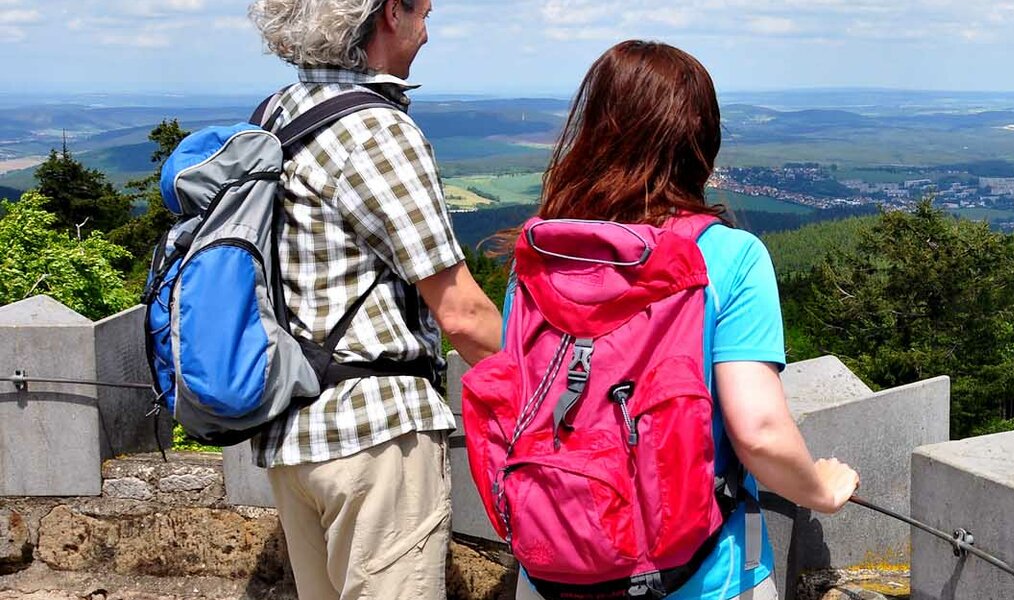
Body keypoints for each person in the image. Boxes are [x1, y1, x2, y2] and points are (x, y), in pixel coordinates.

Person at [505, 40, 860, 600]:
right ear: (702, 143)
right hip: (702, 575)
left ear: (592, 132)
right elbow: (760, 433)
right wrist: (822, 489)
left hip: (553, 567)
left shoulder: (544, 257)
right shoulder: (731, 257)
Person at [247, 0, 503, 598]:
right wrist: (560, 387)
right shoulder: (378, 129)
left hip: (293, 434)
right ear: (391, 13)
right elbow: (461, 312)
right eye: (422, 7)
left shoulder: (277, 113)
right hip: (375, 438)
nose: (431, 15)